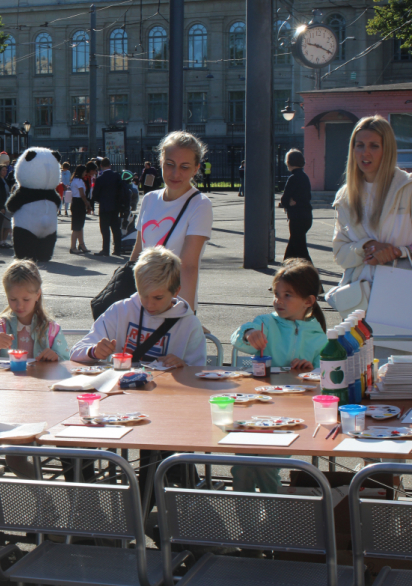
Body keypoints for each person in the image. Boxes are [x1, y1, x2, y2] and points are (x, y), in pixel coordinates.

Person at [229, 259, 328, 494]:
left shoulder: (319, 336)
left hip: (293, 414)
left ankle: (274, 514)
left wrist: (310, 369)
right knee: (242, 466)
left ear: (308, 301)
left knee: (266, 465)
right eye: (276, 294)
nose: (278, 300)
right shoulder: (265, 323)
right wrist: (249, 334)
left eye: (287, 295)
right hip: (257, 406)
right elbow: (238, 337)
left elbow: (324, 375)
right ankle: (245, 517)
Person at [332, 116, 412, 318]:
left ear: (387, 150)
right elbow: (340, 254)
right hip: (359, 301)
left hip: (402, 295)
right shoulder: (345, 196)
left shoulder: (408, 189)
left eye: (374, 146)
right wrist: (367, 246)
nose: (365, 153)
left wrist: (397, 252)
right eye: (359, 145)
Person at [72, 246, 206, 367]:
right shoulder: (120, 311)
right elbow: (76, 352)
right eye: (143, 295)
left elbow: (199, 372)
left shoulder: (189, 324)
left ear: (176, 291)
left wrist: (183, 367)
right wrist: (94, 351)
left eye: (158, 298)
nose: (149, 304)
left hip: (167, 387)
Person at [131, 131, 213, 311]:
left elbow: (188, 266)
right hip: (142, 303)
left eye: (185, 167)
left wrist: (184, 315)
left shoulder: (200, 205)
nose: (176, 173)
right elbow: (137, 253)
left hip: (172, 305)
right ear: (161, 161)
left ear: (196, 169)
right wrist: (130, 304)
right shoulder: (149, 199)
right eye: (170, 164)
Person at [0, 259, 70, 361]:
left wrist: (56, 357)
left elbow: (67, 361)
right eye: (13, 299)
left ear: (37, 294)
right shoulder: (0, 327)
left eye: (26, 299)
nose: (19, 306)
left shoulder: (51, 329)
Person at [280, 149, 314, 263]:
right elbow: (307, 196)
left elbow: (284, 200)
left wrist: (288, 202)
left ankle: (309, 270)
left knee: (300, 249)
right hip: (307, 216)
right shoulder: (305, 177)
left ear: (288, 162)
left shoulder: (293, 178)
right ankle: (286, 266)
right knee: (294, 245)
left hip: (296, 217)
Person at [92, 157, 127, 257]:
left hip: (104, 206)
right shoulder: (117, 176)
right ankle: (117, 249)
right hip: (115, 205)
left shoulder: (100, 179)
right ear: (110, 166)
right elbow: (122, 190)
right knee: (116, 228)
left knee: (105, 229)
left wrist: (100, 200)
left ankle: (105, 249)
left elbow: (95, 194)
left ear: (101, 166)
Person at [69, 165, 92, 254]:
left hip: (75, 202)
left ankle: (82, 244)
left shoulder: (74, 180)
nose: (85, 173)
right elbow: (82, 194)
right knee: (77, 227)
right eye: (84, 171)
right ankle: (73, 247)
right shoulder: (79, 181)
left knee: (79, 226)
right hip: (79, 203)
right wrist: (87, 203)